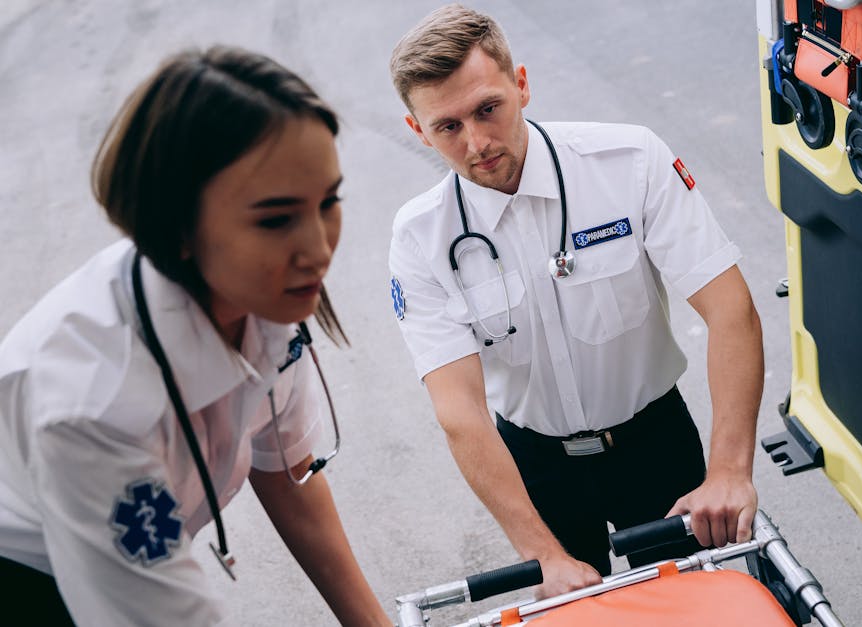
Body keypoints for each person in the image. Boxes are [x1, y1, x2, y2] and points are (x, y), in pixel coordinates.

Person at [0, 46, 390, 626]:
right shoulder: (91, 402)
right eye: (276, 219)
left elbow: (286, 474)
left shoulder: (265, 299)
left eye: (328, 202)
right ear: (177, 226)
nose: (319, 250)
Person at [387, 4, 764, 598]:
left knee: (692, 609)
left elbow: (730, 309)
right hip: (535, 467)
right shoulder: (420, 237)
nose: (477, 142)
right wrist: (541, 553)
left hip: (654, 448)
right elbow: (459, 412)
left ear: (522, 84)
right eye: (448, 127)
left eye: (488, 108)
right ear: (418, 131)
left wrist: (729, 471)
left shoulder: (630, 163)